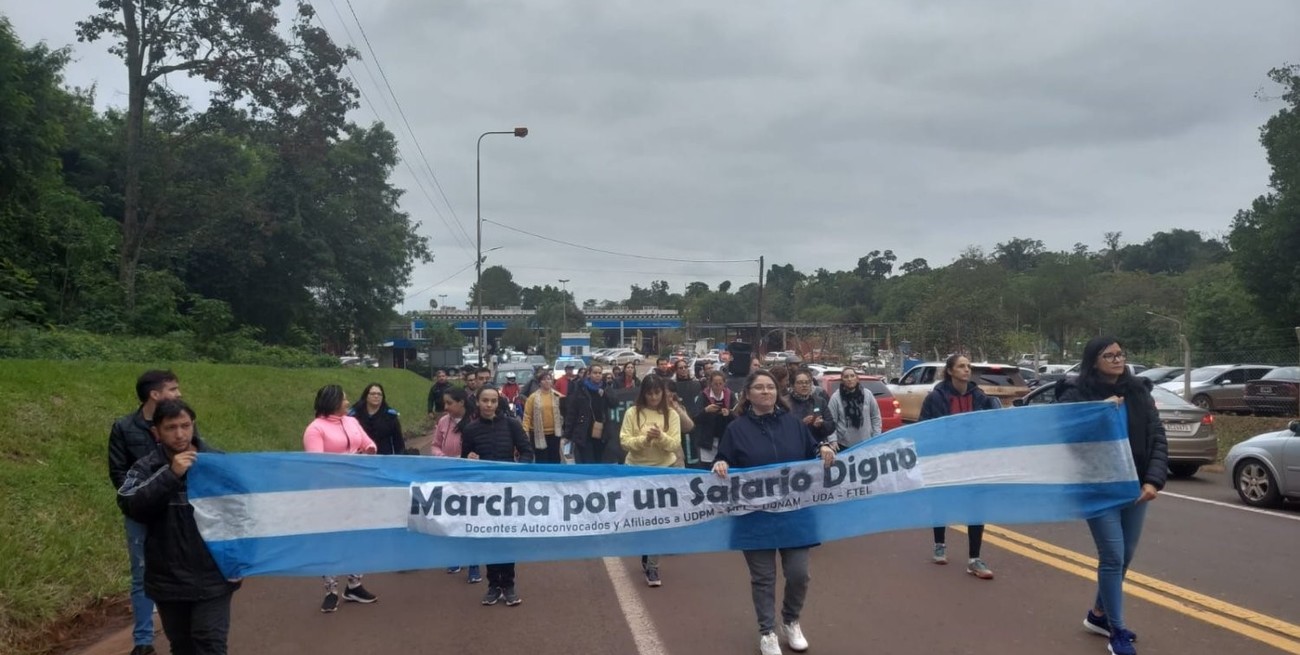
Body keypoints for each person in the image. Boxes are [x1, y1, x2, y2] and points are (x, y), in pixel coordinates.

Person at [1056, 337, 1167, 655]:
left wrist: (1153, 480)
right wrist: (1098, 413)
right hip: (1098, 486)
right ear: (1094, 361)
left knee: (1126, 556)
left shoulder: (1138, 391)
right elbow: (1067, 434)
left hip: (1133, 485)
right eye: (1110, 355)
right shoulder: (1077, 395)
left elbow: (1157, 435)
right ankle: (1116, 631)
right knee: (1113, 557)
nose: (1118, 360)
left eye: (1120, 354)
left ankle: (1098, 615)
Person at [712, 370, 835, 655]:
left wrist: (824, 450)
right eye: (759, 387)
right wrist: (719, 464)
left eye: (770, 387)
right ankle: (767, 631)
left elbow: (813, 450)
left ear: (777, 394)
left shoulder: (793, 424)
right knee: (763, 578)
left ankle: (791, 620)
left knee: (799, 573)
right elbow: (723, 457)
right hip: (755, 517)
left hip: (795, 514)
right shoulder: (737, 429)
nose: (766, 392)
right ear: (748, 394)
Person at [117, 399, 241, 655]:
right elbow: (130, 504)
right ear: (156, 433)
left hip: (214, 574)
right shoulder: (146, 467)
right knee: (182, 646)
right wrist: (171, 475)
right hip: (167, 577)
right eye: (171, 427)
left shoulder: (218, 463)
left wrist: (240, 559)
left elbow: (241, 511)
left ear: (193, 425)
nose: (180, 434)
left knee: (209, 642)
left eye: (185, 425)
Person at [109, 369, 187, 655]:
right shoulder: (123, 427)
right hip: (141, 513)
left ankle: (184, 629)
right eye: (173, 389)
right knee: (141, 572)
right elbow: (118, 473)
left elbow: (195, 455)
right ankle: (143, 641)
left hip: (178, 512)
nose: (178, 394)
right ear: (154, 394)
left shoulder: (181, 422)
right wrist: (141, 500)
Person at [919, 354, 1000, 579]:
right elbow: (923, 428)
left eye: (968, 366)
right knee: (941, 501)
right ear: (950, 371)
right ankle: (939, 544)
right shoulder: (935, 397)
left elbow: (989, 425)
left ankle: (974, 559)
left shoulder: (980, 396)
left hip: (972, 461)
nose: (966, 370)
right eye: (961, 366)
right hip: (944, 460)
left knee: (976, 507)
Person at [303, 384, 378, 612]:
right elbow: (317, 465)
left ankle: (354, 584)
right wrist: (348, 461)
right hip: (329, 494)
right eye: (344, 399)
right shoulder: (315, 429)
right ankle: (331, 590)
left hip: (356, 490)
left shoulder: (352, 421)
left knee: (356, 537)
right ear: (333, 402)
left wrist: (370, 449)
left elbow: (367, 443)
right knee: (331, 540)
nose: (348, 402)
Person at [462, 387, 534, 606]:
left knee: (507, 538)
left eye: (493, 401)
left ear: (498, 402)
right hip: (484, 494)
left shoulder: (511, 424)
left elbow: (527, 451)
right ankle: (493, 585)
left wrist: (517, 470)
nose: (489, 405)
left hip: (508, 492)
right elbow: (464, 459)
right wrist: (469, 458)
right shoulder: (471, 429)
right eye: (485, 400)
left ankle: (509, 585)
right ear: (478, 402)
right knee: (490, 538)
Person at [619, 375, 681, 587]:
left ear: (663, 393)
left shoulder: (671, 414)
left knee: (659, 519)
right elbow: (625, 442)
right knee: (641, 519)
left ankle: (653, 566)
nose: (654, 397)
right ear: (643, 393)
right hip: (636, 472)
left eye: (657, 392)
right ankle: (646, 551)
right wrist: (645, 439)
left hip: (664, 471)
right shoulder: (632, 413)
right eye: (649, 393)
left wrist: (661, 437)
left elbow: (674, 444)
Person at [430, 388, 481, 583]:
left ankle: (474, 562)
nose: (446, 407)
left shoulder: (476, 421)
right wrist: (443, 458)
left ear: (461, 403)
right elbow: (435, 444)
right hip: (449, 476)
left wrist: (472, 458)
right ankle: (456, 556)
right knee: (453, 517)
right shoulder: (443, 422)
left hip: (471, 478)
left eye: (450, 403)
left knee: (472, 518)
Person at [826, 367, 881, 450]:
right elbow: (831, 422)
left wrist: (876, 437)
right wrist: (832, 440)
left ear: (857, 379)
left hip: (867, 443)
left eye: (852, 376)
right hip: (844, 445)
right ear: (842, 380)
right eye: (846, 377)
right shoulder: (836, 398)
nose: (849, 379)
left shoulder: (867, 394)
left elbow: (875, 417)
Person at [564, 364, 608, 464]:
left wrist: (605, 394)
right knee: (587, 460)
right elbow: (572, 412)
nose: (598, 375)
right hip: (584, 430)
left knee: (598, 460)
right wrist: (567, 434)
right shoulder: (580, 388)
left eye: (600, 373)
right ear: (589, 374)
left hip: (600, 431)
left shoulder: (605, 387)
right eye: (595, 373)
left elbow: (614, 402)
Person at [693, 371, 735, 468]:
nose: (718, 387)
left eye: (720, 384)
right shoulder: (703, 395)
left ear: (724, 383)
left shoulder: (730, 395)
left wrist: (729, 413)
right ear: (710, 384)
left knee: (723, 466)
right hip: (707, 440)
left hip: (724, 439)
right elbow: (695, 418)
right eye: (715, 384)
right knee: (707, 467)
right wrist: (706, 410)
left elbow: (737, 415)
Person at [523, 370, 565, 464]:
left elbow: (564, 412)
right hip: (538, 434)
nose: (547, 381)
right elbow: (527, 416)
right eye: (544, 379)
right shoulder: (533, 397)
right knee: (542, 459)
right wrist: (525, 431)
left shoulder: (557, 395)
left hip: (555, 434)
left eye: (549, 379)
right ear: (539, 382)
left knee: (554, 459)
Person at [349, 383, 404, 455]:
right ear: (366, 396)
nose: (376, 396)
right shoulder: (354, 415)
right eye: (373, 394)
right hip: (360, 458)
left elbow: (398, 442)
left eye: (379, 394)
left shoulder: (391, 416)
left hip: (384, 459)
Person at [785, 368, 836, 443]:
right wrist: (801, 424)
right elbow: (782, 431)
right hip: (795, 446)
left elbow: (831, 426)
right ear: (792, 385)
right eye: (800, 382)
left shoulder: (820, 401)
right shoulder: (785, 403)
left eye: (807, 382)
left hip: (817, 447)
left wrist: (822, 424)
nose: (804, 385)